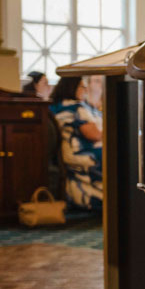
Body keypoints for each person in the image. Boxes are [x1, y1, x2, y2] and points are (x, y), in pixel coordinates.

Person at [48, 76, 103, 211]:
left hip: (67, 152)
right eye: (82, 86)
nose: (85, 90)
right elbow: (94, 135)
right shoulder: (76, 108)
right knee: (117, 157)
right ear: (72, 88)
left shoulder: (54, 106)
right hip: (82, 151)